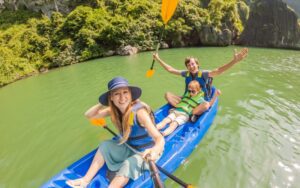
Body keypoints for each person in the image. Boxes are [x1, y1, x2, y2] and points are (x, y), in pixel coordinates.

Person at [66, 77, 165, 188]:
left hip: (147, 152)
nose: (122, 97)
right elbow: (89, 115)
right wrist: (103, 102)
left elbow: (159, 138)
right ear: (111, 98)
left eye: (125, 92)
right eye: (116, 94)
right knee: (105, 145)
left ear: (131, 94)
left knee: (129, 164)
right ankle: (84, 181)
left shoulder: (140, 113)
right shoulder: (113, 110)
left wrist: (155, 151)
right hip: (130, 147)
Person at [152, 48, 248, 116]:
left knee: (206, 105)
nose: (191, 66)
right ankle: (184, 108)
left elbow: (218, 71)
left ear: (197, 65)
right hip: (187, 100)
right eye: (189, 65)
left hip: (199, 101)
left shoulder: (204, 74)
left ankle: (190, 112)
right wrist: (158, 59)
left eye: (193, 64)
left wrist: (234, 61)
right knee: (167, 95)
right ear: (187, 67)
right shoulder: (186, 74)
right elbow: (170, 70)